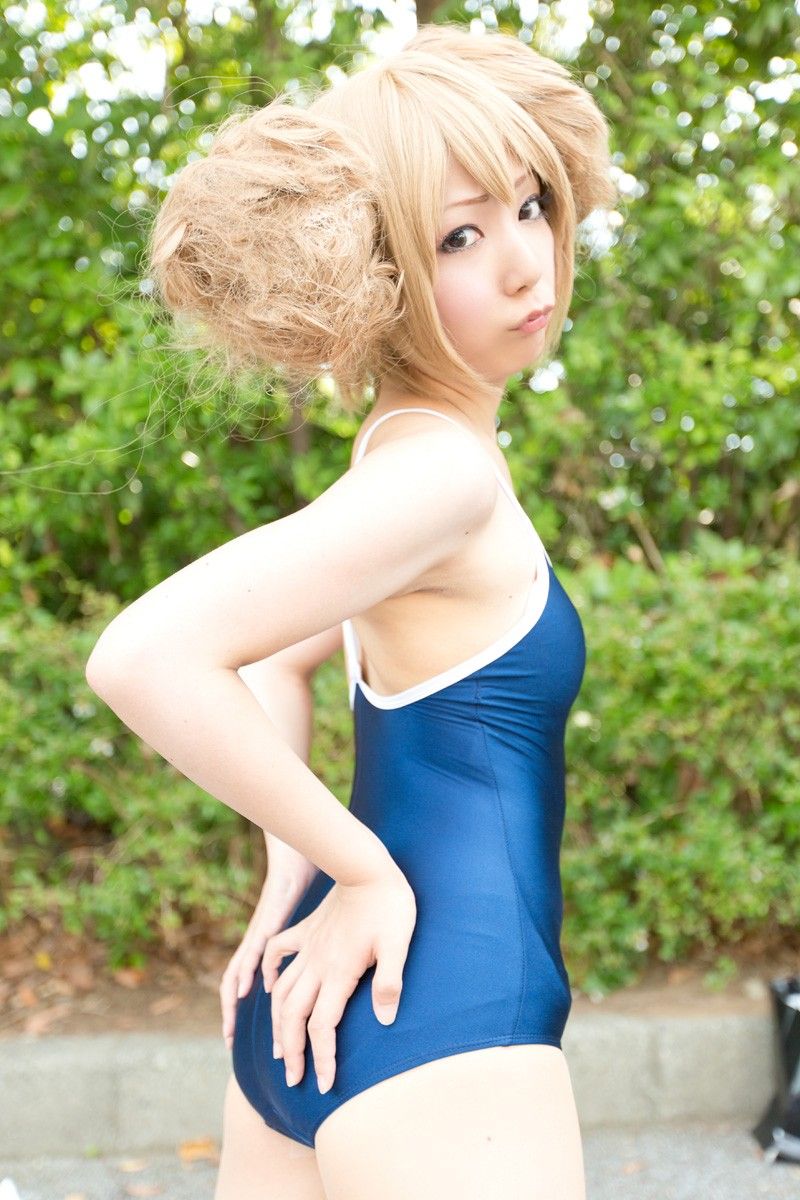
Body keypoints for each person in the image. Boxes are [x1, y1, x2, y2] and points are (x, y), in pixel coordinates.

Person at [85, 20, 618, 1200]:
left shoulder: (396, 452)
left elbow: (273, 658)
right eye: (459, 235)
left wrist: (302, 867)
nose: (524, 263)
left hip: (318, 1000)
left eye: (530, 205)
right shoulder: (442, 477)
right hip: (445, 1022)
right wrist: (357, 872)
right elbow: (144, 655)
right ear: (379, 274)